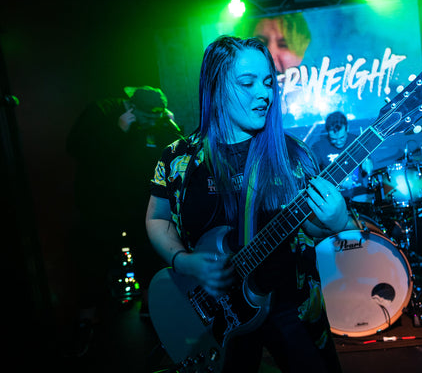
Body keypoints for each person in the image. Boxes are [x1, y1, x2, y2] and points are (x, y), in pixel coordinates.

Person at [146, 36, 353, 372]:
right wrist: (184, 262)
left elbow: (309, 226)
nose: (265, 93)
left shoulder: (293, 155)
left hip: (291, 308)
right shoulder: (178, 159)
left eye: (269, 82)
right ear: (215, 86)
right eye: (247, 82)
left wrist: (338, 220)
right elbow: (158, 220)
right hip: (211, 313)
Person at [66, 85, 182, 349]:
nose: (151, 122)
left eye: (157, 117)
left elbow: (177, 154)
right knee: (94, 260)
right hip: (101, 205)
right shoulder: (103, 112)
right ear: (131, 109)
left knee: (149, 255)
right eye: (147, 117)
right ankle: (86, 319)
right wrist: (117, 130)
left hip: (139, 205)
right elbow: (79, 151)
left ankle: (151, 309)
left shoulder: (161, 121)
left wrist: (171, 127)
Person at [310, 111, 374, 201]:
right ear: (328, 132)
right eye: (333, 139)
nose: (339, 142)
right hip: (334, 197)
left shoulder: (357, 141)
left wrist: (368, 166)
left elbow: (368, 166)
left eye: (342, 138)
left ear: (347, 128)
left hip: (358, 193)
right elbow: (313, 176)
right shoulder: (319, 147)